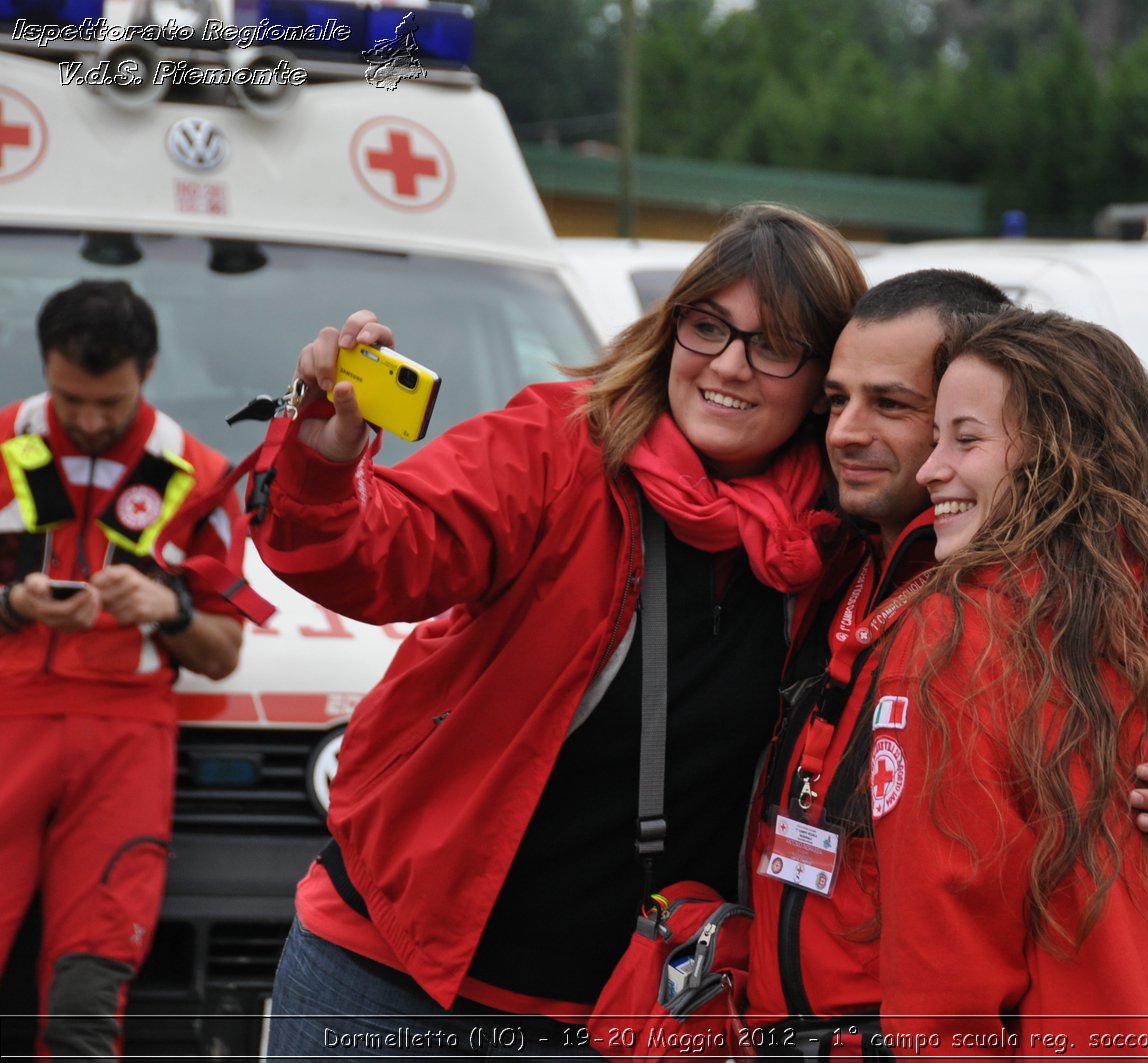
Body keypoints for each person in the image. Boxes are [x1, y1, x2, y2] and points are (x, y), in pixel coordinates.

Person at [254, 204, 868, 1056]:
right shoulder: (562, 447)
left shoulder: (843, 539)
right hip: (389, 974)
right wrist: (323, 465)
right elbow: (378, 552)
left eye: (774, 344)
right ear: (671, 331)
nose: (730, 363)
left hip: (626, 1012)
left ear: (821, 383)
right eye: (708, 326)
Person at [740, 273, 1148, 1049]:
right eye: (834, 401)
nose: (848, 431)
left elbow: (951, 945)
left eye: (897, 407)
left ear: (1044, 441)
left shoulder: (979, 621)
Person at [0, 280, 246, 1060]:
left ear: (149, 369)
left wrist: (165, 609)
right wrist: (13, 605)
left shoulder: (201, 475)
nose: (92, 420)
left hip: (126, 738)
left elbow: (223, 651)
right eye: (72, 398)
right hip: (7, 719)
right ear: (44, 364)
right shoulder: (3, 446)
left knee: (88, 983)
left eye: (111, 400)